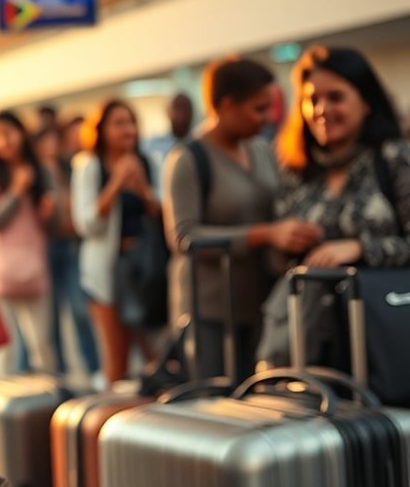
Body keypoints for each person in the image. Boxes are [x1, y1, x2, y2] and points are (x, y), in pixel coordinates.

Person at [162, 58, 320, 379]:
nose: (268, 118)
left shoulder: (260, 149)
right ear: (227, 105)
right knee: (216, 405)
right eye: (259, 109)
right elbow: (183, 237)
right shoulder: (189, 159)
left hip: (260, 304)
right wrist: (265, 235)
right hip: (210, 312)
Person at [263, 47, 410, 366]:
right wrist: (284, 241)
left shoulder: (395, 159)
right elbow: (276, 267)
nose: (322, 109)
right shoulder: (296, 171)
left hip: (383, 341)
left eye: (336, 97)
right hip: (306, 343)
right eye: (312, 99)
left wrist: (359, 248)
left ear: (366, 101)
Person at [72, 99, 160, 385]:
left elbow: (162, 212)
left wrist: (143, 190)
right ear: (101, 130)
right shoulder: (89, 166)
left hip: (146, 269)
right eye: (119, 123)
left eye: (131, 122)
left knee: (155, 355)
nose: (128, 130)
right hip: (107, 271)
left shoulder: (148, 161)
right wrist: (116, 184)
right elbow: (85, 224)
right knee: (116, 360)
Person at [0, 110, 58, 377]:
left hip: (34, 266)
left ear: (21, 131)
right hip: (0, 269)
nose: (3, 141)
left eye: (7, 132)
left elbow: (55, 224)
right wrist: (16, 190)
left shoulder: (42, 171)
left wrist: (48, 214)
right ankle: (4, 407)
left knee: (41, 344)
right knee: (4, 346)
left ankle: (45, 400)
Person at [34, 126, 101, 386]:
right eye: (45, 140)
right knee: (50, 315)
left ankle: (93, 368)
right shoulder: (37, 172)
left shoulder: (68, 166)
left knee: (79, 308)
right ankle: (58, 374)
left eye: (54, 139)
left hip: (69, 243)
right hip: (47, 245)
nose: (51, 145)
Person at [142, 93, 195, 189]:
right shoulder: (152, 145)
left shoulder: (201, 142)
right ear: (167, 112)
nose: (182, 113)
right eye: (177, 107)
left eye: (186, 108)